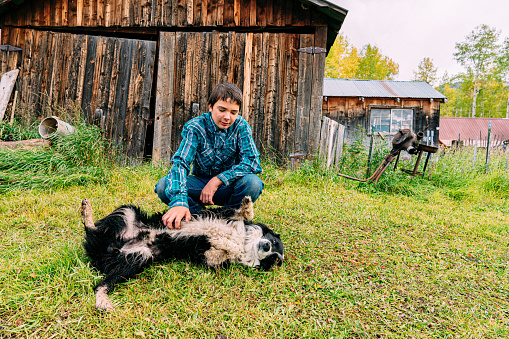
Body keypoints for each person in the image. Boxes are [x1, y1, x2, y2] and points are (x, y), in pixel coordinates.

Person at [155, 82, 264, 229]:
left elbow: (252, 162)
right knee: (163, 185)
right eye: (222, 110)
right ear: (211, 107)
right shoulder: (195, 127)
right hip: (199, 186)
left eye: (233, 112)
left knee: (253, 183)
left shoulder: (241, 127)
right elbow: (181, 163)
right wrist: (180, 201)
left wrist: (218, 179)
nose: (227, 117)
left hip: (228, 186)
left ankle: (229, 217)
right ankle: (199, 215)